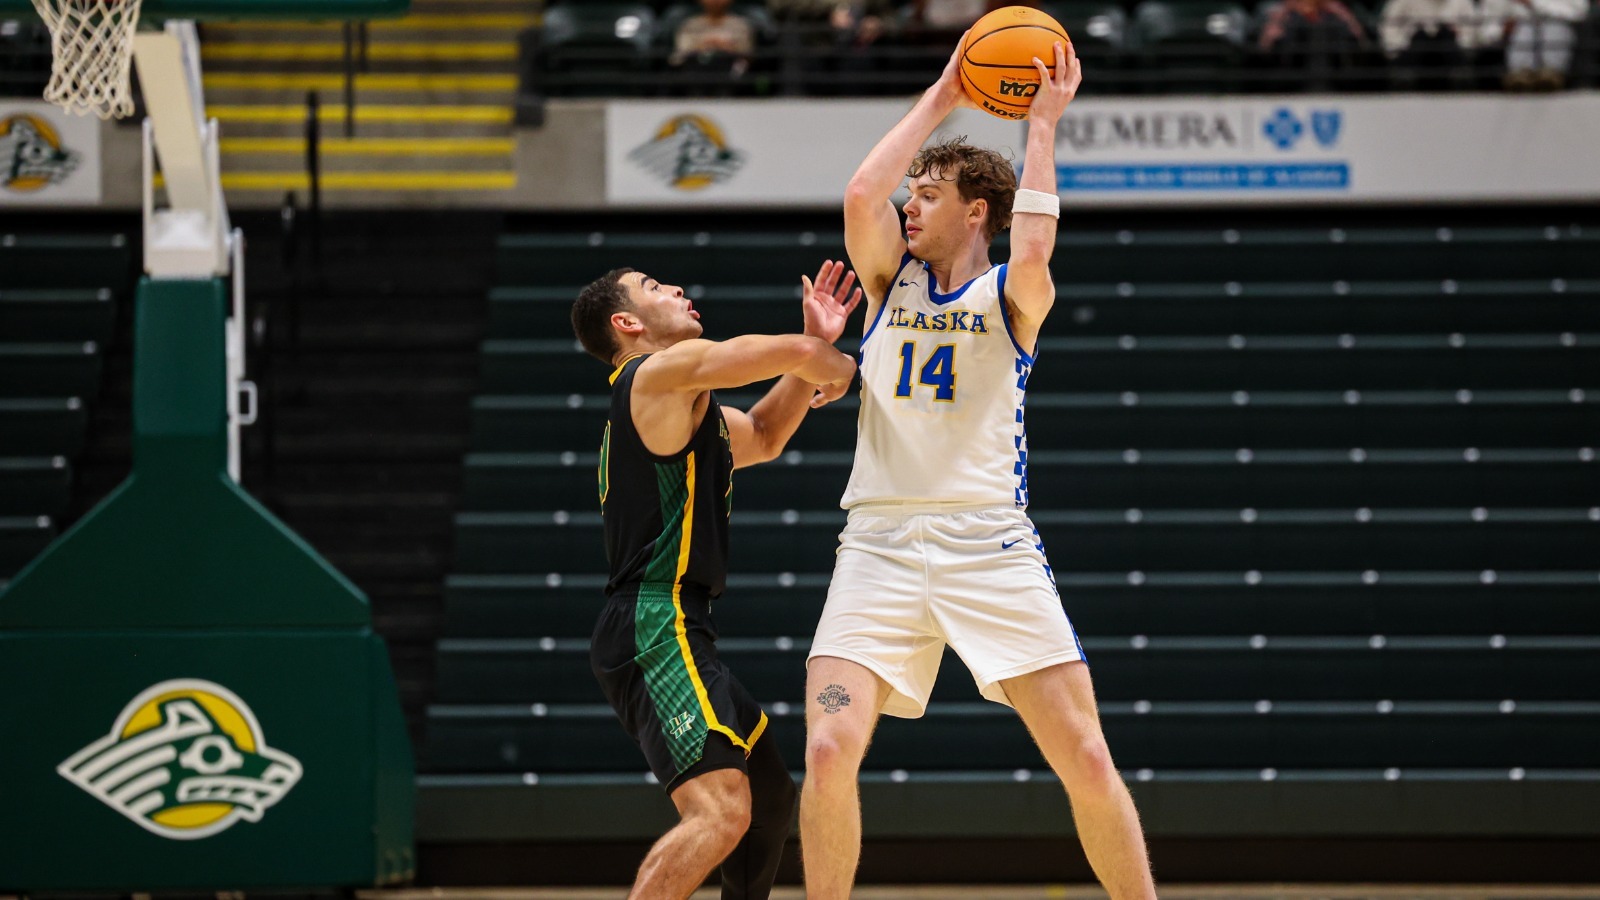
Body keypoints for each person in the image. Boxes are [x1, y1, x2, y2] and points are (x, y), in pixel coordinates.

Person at [800, 38, 1158, 900]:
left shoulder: (1010, 295)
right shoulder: (889, 287)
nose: (907, 209)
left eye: (927, 196)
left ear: (977, 212)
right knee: (823, 748)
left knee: (1084, 754)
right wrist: (943, 92)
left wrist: (1042, 126)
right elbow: (858, 193)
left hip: (987, 542)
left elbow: (1034, 248)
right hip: (878, 547)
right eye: (910, 196)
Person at [571, 262, 860, 899]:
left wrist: (811, 355)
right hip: (654, 621)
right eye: (652, 287)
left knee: (769, 799)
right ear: (628, 323)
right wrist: (828, 360)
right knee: (722, 811)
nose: (674, 288)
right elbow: (752, 355)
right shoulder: (651, 374)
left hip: (679, 624)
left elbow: (764, 433)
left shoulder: (682, 402)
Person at [1477, 0, 1585, 89]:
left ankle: (1550, 74)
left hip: (1558, 33)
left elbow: (1579, 12)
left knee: (1554, 25)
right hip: (1514, 43)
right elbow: (1486, 31)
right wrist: (1503, 30)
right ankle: (1520, 75)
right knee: (1524, 27)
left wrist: (1533, 4)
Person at [1379, 0, 1479, 87]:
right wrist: (1405, 41)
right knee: (1420, 37)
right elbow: (1388, 31)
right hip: (1412, 54)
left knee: (1445, 36)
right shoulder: (1402, 2)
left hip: (1450, 54)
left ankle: (1460, 78)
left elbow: (1471, 34)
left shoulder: (1462, 2)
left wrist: (1457, 36)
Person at [672, 0, 757, 86]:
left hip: (729, 71)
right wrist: (704, 45)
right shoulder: (690, 25)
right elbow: (679, 56)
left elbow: (747, 55)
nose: (715, 1)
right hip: (697, 69)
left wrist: (725, 46)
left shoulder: (740, 25)